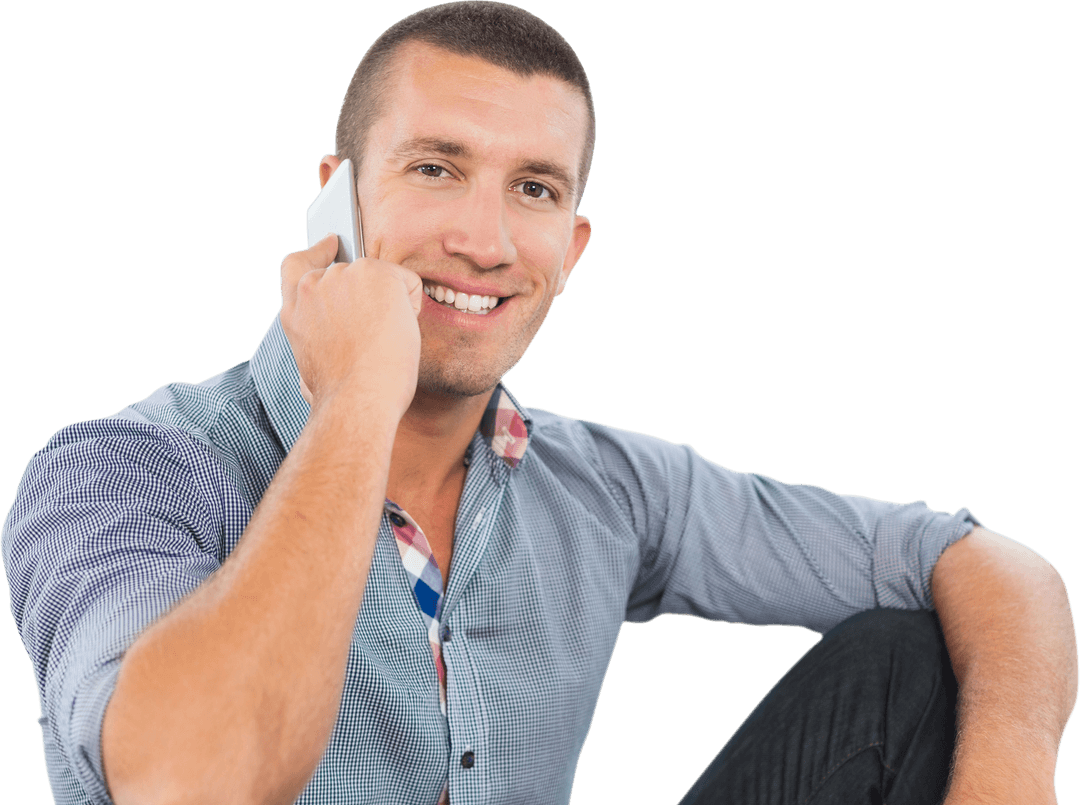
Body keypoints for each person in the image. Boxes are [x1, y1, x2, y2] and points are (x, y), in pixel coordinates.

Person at [2, 3, 1075, 804]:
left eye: (534, 189)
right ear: (337, 197)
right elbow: (193, 780)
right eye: (435, 168)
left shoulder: (600, 487)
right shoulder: (127, 469)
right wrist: (357, 405)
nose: (485, 239)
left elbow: (988, 564)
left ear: (573, 246)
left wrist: (1009, 775)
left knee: (907, 665)